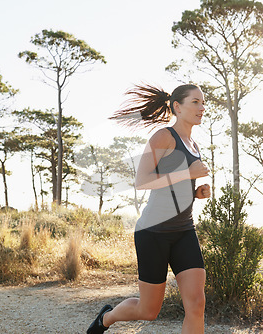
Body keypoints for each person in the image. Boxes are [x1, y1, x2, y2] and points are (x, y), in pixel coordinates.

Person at [87, 83, 211, 334]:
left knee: (196, 304)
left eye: (203, 102)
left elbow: (172, 187)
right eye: (195, 102)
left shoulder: (193, 144)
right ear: (177, 106)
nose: (202, 107)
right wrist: (187, 172)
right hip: (153, 232)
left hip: (184, 230)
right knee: (149, 310)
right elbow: (142, 181)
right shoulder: (164, 137)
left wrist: (195, 193)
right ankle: (106, 319)